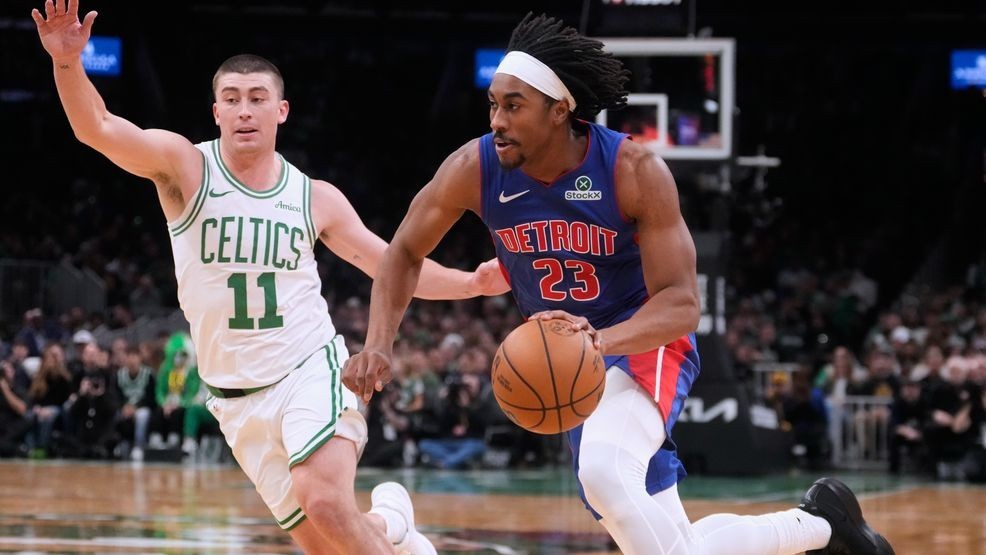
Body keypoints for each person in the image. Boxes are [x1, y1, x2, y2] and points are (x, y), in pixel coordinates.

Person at [345, 13, 894, 555]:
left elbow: (682, 304)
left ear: (560, 110)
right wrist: (378, 343)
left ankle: (823, 525)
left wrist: (601, 341)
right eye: (493, 103)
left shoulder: (632, 170)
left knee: (605, 473)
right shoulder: (476, 167)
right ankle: (821, 524)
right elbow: (403, 254)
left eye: (513, 106)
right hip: (572, 361)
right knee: (672, 540)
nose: (497, 121)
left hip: (643, 342)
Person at [33, 1, 507, 552]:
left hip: (308, 368)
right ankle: (392, 525)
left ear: (281, 111)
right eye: (232, 100)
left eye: (257, 99)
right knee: (329, 540)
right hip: (235, 400)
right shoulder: (185, 167)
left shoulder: (314, 197)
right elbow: (100, 128)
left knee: (323, 497)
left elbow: (391, 266)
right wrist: (68, 63)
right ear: (215, 112)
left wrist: (469, 283)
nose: (244, 111)